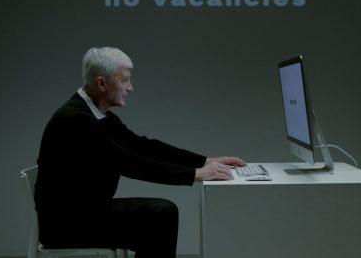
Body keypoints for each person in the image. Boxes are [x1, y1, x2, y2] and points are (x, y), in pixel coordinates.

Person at [34, 47, 246, 258]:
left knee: (158, 217)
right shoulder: (76, 120)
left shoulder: (97, 115)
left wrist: (204, 161)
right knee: (161, 214)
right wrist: (195, 175)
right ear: (101, 83)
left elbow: (143, 146)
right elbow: (130, 163)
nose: (130, 87)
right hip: (68, 225)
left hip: (85, 213)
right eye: (124, 80)